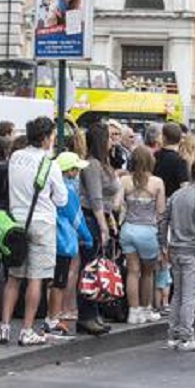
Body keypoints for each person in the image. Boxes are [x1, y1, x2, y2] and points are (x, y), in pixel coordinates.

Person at [0, 117, 68, 346]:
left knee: (14, 277)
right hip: (43, 223)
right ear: (46, 138)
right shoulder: (50, 164)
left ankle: (4, 328)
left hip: (17, 222)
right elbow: (62, 199)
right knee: (36, 279)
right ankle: (27, 330)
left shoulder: (16, 157)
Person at [159, 158, 195, 352]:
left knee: (178, 294)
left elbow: (164, 220)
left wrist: (163, 244)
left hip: (176, 248)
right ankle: (186, 335)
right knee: (189, 295)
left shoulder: (176, 195)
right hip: (193, 250)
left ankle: (173, 334)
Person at [78, 122, 120, 335]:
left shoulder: (103, 163)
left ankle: (93, 312)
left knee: (97, 266)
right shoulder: (92, 165)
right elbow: (95, 198)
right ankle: (86, 314)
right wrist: (103, 226)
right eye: (109, 137)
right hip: (93, 218)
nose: (113, 141)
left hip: (102, 216)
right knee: (91, 267)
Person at [116, 146, 166, 325]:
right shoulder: (157, 182)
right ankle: (145, 309)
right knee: (147, 273)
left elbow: (116, 204)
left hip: (128, 229)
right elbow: (161, 211)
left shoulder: (124, 180)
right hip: (147, 231)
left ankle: (133, 311)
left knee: (132, 271)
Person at [45, 152, 92, 337]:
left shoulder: (49, 187)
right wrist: (88, 238)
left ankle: (50, 316)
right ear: (70, 171)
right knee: (60, 281)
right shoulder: (67, 190)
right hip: (63, 241)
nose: (77, 173)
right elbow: (76, 218)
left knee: (49, 281)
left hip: (49, 237)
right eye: (76, 169)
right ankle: (54, 319)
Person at [153, 123, 190, 197]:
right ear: (180, 139)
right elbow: (184, 186)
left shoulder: (155, 156)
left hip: (155, 198)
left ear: (164, 138)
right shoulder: (180, 160)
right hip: (172, 201)